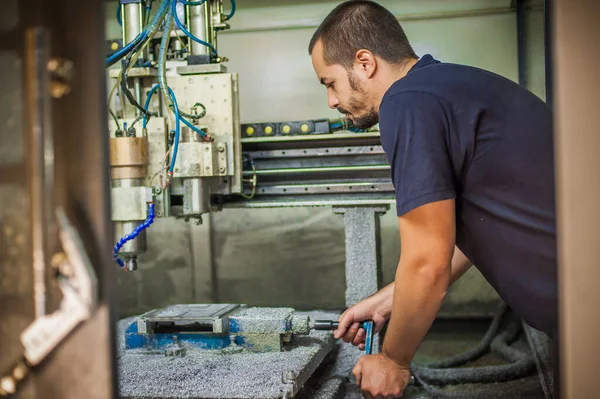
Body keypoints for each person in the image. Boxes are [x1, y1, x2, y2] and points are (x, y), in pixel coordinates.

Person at [308, 1, 557, 398]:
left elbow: (428, 261)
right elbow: (486, 228)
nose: (332, 102)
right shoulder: (449, 86)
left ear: (364, 62)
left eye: (329, 83)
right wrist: (392, 298)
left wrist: (392, 361)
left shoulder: (407, 102)